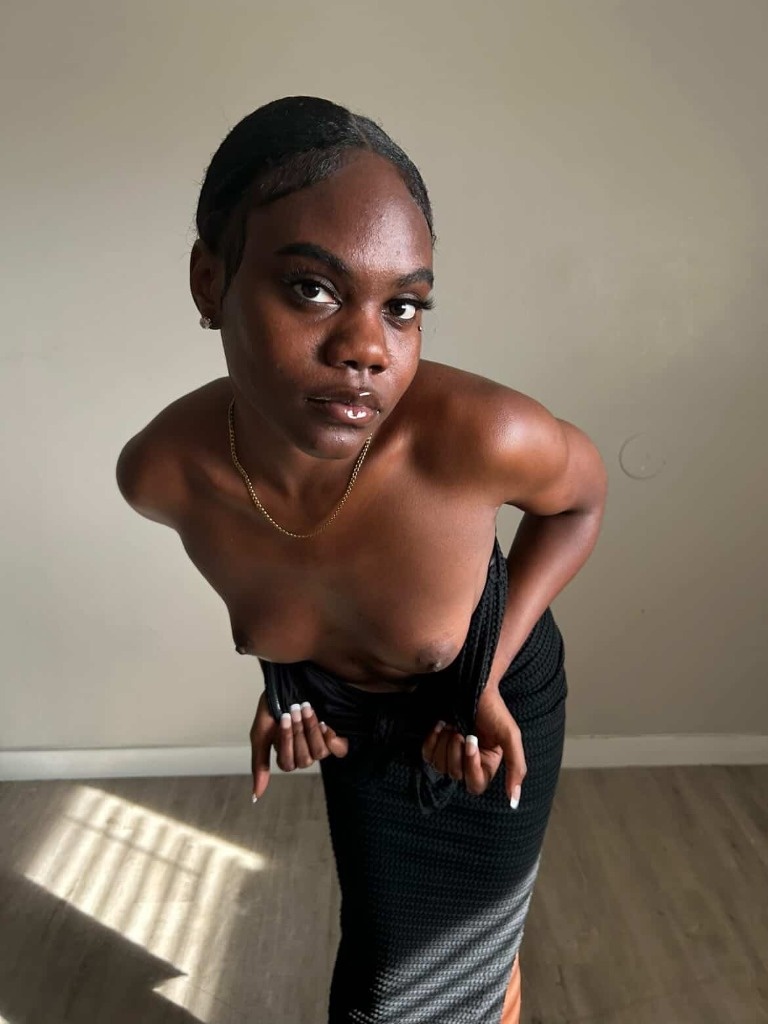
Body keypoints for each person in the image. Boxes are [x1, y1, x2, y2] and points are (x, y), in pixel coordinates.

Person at [116, 95, 607, 1024]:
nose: (368, 350)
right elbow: (292, 593)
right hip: (351, 735)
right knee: (390, 945)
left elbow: (580, 504)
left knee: (411, 993)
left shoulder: (478, 437)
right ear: (209, 279)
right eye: (312, 289)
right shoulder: (165, 475)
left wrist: (479, 679)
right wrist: (291, 689)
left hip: (482, 718)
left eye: (404, 306)